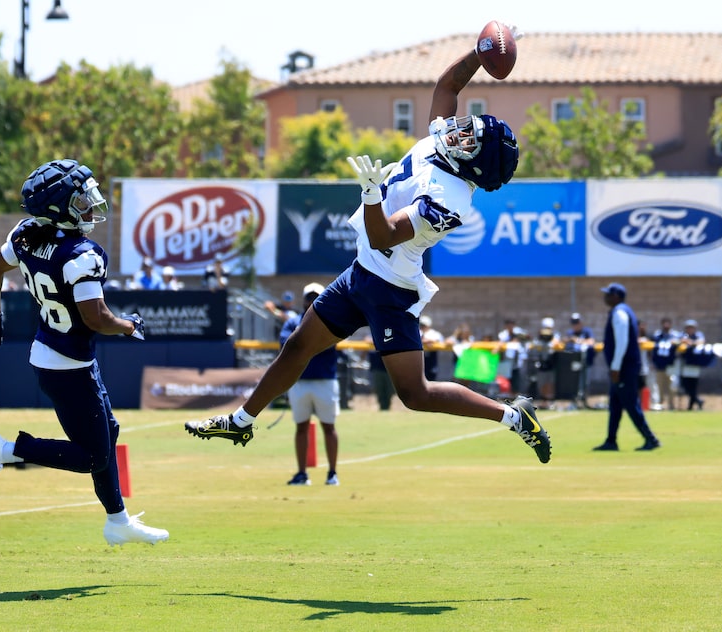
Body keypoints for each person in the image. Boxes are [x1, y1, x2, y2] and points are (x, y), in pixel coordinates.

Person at [185, 33, 551, 465]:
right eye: (468, 127)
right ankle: (242, 422)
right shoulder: (442, 144)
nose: (460, 132)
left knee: (415, 394)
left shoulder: (451, 201)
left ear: (475, 165)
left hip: (391, 289)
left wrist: (372, 195)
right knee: (299, 345)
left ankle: (513, 416)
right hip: (362, 271)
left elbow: (384, 235)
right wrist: (480, 53)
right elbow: (447, 88)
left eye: (470, 139)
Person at [0, 159, 168, 546]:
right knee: (93, 456)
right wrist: (128, 326)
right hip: (67, 365)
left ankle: (118, 521)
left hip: (58, 356)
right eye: (81, 200)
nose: (90, 206)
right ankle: (5, 449)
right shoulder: (82, 255)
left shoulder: (26, 234)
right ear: (59, 209)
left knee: (108, 432)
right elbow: (96, 317)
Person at [282, 283, 340, 486]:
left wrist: (305, 339)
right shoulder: (293, 322)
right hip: (300, 382)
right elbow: (286, 344)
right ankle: (301, 473)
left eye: (316, 296)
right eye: (309, 297)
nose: (311, 301)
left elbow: (324, 344)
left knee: (329, 427)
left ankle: (332, 473)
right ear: (304, 299)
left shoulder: (332, 319)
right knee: (301, 427)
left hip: (325, 380)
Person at [593, 283, 661, 451]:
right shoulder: (621, 311)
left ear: (616, 296)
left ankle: (651, 439)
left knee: (630, 404)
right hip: (623, 367)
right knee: (615, 405)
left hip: (624, 368)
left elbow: (622, 342)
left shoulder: (620, 313)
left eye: (608, 294)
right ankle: (611, 440)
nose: (605, 297)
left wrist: (616, 367)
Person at [563, 312, 595, 406]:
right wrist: (570, 340)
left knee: (585, 381)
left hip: (585, 360)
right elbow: (564, 341)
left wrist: (577, 340)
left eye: (577, 322)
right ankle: (575, 400)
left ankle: (585, 400)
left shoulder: (586, 331)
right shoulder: (570, 333)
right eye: (573, 322)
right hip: (574, 360)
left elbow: (591, 342)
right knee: (574, 381)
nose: (575, 325)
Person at [651, 318, 680, 411]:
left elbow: (682, 342)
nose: (666, 326)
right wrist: (653, 362)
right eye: (664, 324)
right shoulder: (657, 335)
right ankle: (660, 404)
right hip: (659, 365)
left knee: (672, 386)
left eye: (668, 324)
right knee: (660, 386)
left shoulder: (675, 335)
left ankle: (671, 405)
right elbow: (653, 350)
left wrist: (676, 342)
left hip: (671, 365)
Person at [678, 319, 707, 410]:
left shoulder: (698, 335)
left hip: (695, 363)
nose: (690, 330)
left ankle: (691, 406)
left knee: (693, 385)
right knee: (685, 385)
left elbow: (701, 342)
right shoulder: (683, 335)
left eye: (692, 328)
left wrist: (690, 342)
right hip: (685, 363)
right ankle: (698, 401)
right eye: (688, 328)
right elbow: (678, 341)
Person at [419, 315, 444, 381]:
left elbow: (439, 340)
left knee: (431, 378)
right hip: (420, 358)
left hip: (431, 359)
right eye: (421, 324)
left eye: (424, 325)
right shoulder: (418, 332)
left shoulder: (434, 333)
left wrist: (427, 341)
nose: (422, 326)